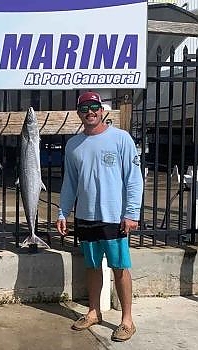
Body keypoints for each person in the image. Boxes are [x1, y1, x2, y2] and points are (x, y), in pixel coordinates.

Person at [56, 91, 143, 342]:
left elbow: (134, 179)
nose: (90, 112)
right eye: (84, 108)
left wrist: (131, 213)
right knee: (92, 266)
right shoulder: (73, 145)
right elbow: (70, 183)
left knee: (119, 267)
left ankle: (127, 320)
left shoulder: (121, 139)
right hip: (86, 216)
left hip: (114, 217)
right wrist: (63, 211)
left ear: (102, 110)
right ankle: (94, 311)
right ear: (79, 113)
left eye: (94, 107)